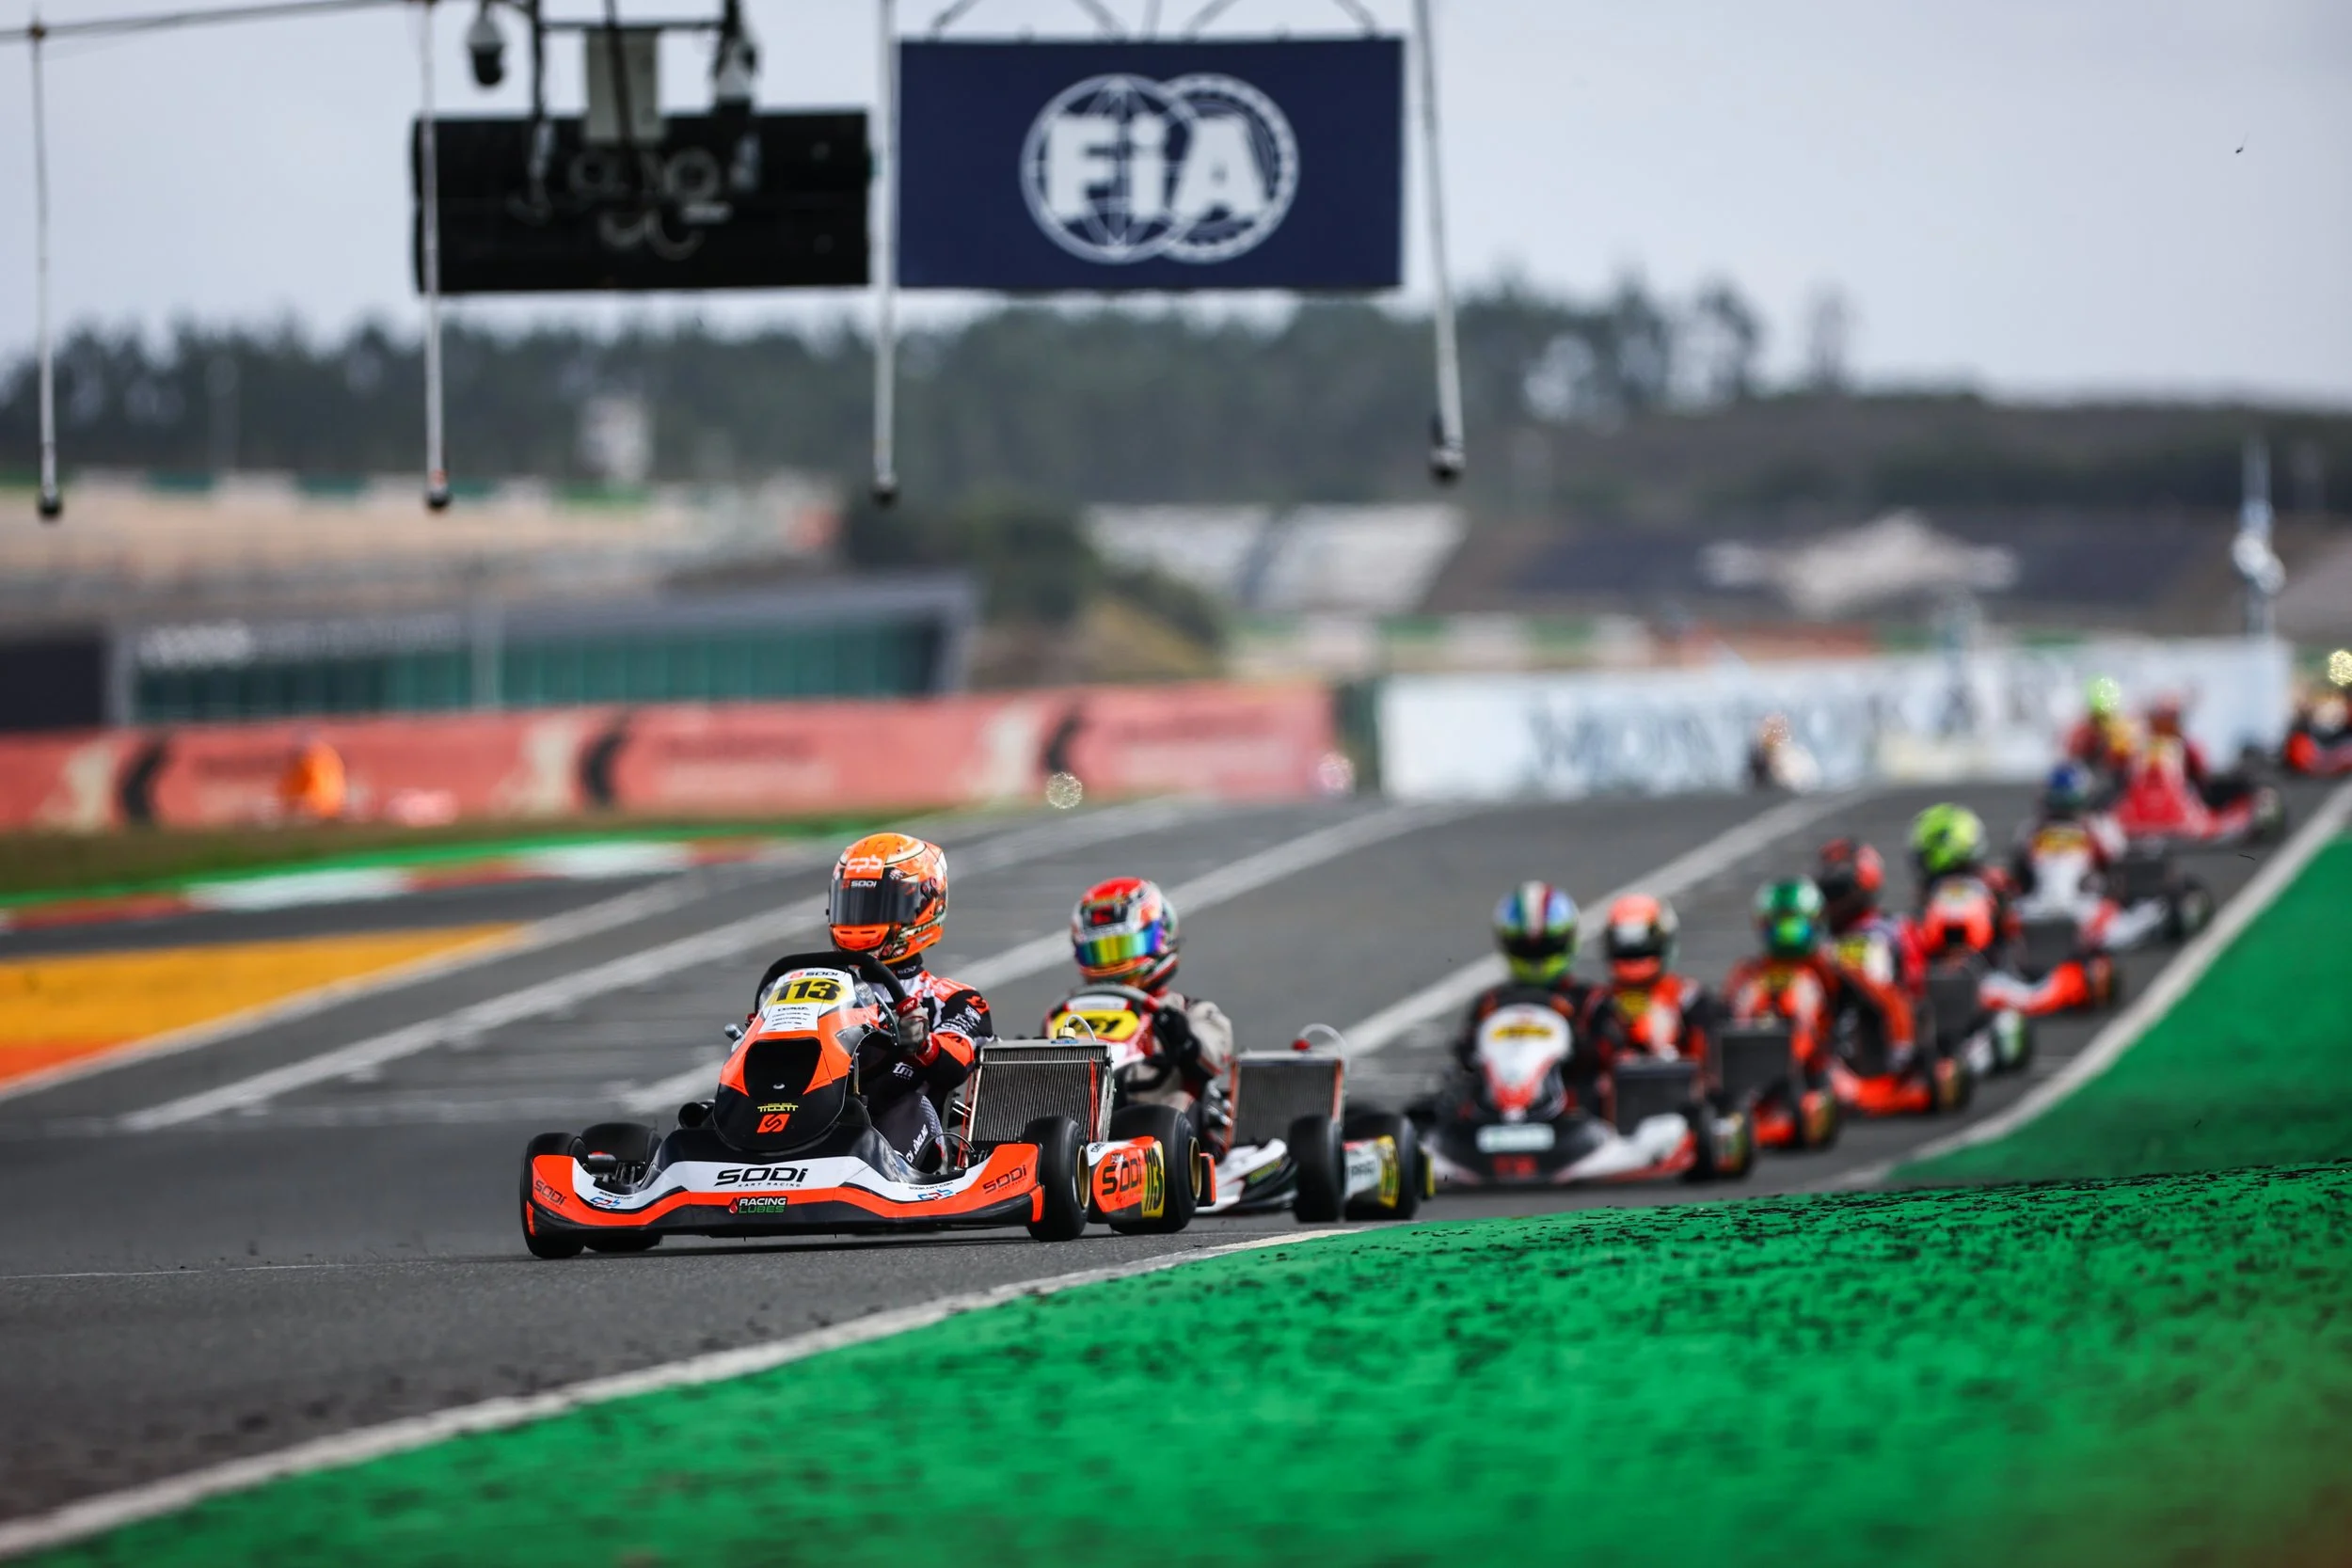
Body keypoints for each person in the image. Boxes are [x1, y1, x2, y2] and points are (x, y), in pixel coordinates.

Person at [820, 832, 992, 1168]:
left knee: (913, 1104)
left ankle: (879, 1170)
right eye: (853, 906)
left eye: (879, 907)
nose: (861, 920)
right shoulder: (821, 986)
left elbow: (957, 1063)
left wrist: (924, 1043)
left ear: (925, 907)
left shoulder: (951, 998)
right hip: (818, 1115)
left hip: (897, 1125)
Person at [1061, 876, 1235, 1133]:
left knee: (1172, 1111)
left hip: (1158, 1126)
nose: (1112, 965)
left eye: (1122, 948)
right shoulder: (1066, 1015)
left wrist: (1183, 1041)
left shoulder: (1189, 1012)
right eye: (1101, 953)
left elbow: (1212, 1060)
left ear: (1161, 937)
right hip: (1080, 1122)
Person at [1724, 878, 1915, 1077]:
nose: (1787, 933)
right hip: (1756, 1055)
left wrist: (1902, 1047)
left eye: (1793, 923)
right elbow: (1724, 1015)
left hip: (1827, 1061)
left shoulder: (1833, 964)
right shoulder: (1749, 972)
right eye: (1781, 924)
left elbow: (1891, 1000)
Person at [1450, 881, 1603, 1101]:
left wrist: (1579, 1042)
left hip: (1573, 1112)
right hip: (1497, 1111)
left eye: (1546, 945)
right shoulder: (1490, 1003)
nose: (1536, 956)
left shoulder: (1590, 1002)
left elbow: (1613, 1058)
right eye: (1526, 948)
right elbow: (1466, 1062)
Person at [1586, 894, 1723, 1067]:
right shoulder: (1598, 1005)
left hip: (1679, 1085)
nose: (1634, 958)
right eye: (1627, 951)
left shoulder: (1688, 998)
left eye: (1641, 949)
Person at [1815, 836, 1926, 997]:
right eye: (1826, 892)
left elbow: (1916, 982)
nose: (1833, 903)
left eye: (1837, 890)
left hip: (1885, 1006)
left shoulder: (1895, 929)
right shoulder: (1818, 936)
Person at [2063, 674, 2138, 782]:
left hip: (2115, 779)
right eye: (2098, 717)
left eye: (2105, 717)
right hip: (2091, 776)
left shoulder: (2123, 730)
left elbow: (2130, 759)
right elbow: (2072, 757)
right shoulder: (2082, 731)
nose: (2103, 723)